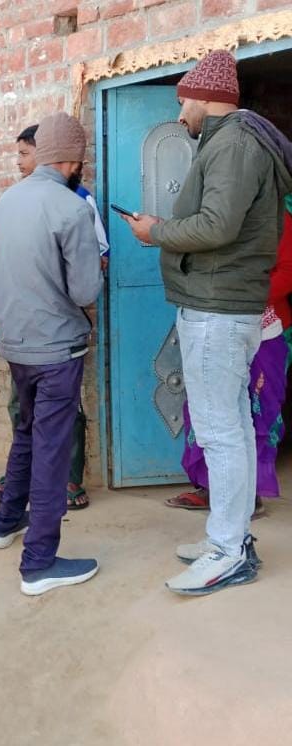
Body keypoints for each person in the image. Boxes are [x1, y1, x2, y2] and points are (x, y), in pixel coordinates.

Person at [123, 50, 292, 595]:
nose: (180, 115)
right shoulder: (232, 142)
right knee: (231, 430)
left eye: (184, 102)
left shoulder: (235, 144)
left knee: (221, 433)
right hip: (221, 306)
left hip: (218, 310)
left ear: (204, 97)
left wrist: (156, 232)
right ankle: (230, 537)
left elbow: (217, 226)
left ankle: (227, 551)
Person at [0, 112, 103, 597]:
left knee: (27, 433)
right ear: (74, 161)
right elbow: (84, 291)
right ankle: (38, 562)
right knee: (53, 448)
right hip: (56, 347)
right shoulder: (72, 209)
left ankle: (5, 522)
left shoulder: (5, 202)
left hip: (16, 344)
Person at [166, 208, 292, 516]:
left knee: (258, 411)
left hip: (264, 329)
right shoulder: (211, 217)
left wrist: (242, 296)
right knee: (208, 407)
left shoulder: (280, 219)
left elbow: (287, 272)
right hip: (212, 323)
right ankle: (210, 487)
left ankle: (249, 494)